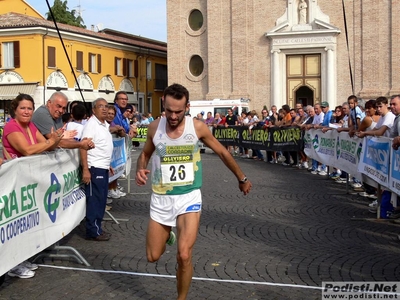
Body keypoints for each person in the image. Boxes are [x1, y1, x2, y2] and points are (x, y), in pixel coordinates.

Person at [135, 83, 252, 300]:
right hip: (161, 198)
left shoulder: (197, 127)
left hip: (189, 197)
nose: (173, 116)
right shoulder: (154, 127)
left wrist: (241, 178)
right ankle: (168, 233)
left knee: (184, 254)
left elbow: (222, 153)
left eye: (178, 111)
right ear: (164, 104)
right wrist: (139, 170)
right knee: (152, 256)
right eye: (169, 110)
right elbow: (145, 154)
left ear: (187, 107)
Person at [2, 94, 63, 278]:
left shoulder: (31, 126)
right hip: (13, 184)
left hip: (27, 182)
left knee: (25, 223)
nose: (27, 111)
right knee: (14, 223)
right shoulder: (12, 127)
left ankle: (19, 258)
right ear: (15, 109)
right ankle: (10, 263)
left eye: (29, 108)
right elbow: (27, 150)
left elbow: (46, 145)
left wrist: (55, 139)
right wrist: (50, 142)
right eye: (23, 108)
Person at [80, 98, 114, 241]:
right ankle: (93, 230)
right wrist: (86, 170)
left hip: (103, 167)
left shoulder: (104, 125)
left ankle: (98, 228)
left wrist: (108, 164)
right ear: (94, 110)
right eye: (101, 106)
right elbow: (83, 146)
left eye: (106, 106)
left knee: (101, 200)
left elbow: (102, 146)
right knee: (95, 200)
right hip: (95, 168)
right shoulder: (91, 125)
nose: (105, 109)